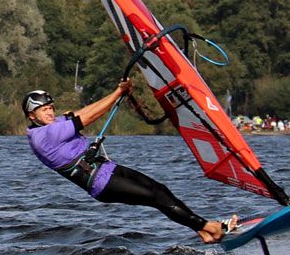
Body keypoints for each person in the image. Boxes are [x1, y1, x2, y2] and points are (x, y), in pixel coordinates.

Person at [23, 81, 236, 243]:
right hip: (101, 183)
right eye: (44, 110)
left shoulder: (50, 124)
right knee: (155, 197)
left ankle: (203, 231)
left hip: (108, 169)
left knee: (159, 189)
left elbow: (78, 113)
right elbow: (86, 119)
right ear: (32, 116)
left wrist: (117, 93)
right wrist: (117, 93)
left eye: (51, 107)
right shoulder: (44, 136)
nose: (50, 112)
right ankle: (211, 227)